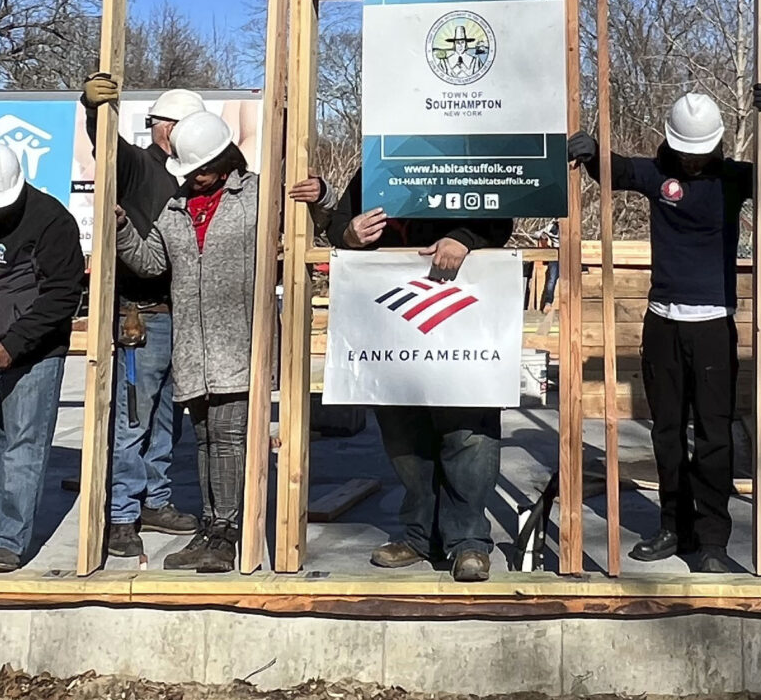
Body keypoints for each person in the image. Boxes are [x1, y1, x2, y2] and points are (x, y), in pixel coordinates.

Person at [569, 85, 761, 573]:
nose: (690, 164)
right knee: (667, 432)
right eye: (685, 154)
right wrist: (591, 154)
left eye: (699, 154)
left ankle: (712, 540)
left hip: (712, 325)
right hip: (663, 323)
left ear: (713, 147)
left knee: (713, 435)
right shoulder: (658, 174)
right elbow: (618, 171)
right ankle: (674, 525)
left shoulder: (730, 180)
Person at [291, 167, 512, 581]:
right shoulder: (377, 166)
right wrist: (349, 234)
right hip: (391, 324)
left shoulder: (467, 160)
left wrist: (465, 238)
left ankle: (468, 542)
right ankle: (418, 535)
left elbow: (501, 218)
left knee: (467, 432)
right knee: (403, 435)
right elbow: (341, 224)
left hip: (461, 317)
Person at [114, 109, 261, 572]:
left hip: (238, 341)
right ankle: (212, 526)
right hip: (194, 347)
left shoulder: (255, 196)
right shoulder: (176, 208)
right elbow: (153, 262)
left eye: (203, 169)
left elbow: (308, 222)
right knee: (203, 439)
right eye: (190, 171)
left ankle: (227, 532)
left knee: (229, 437)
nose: (196, 178)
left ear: (225, 159)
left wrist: (320, 195)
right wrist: (120, 227)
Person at [0, 138, 86, 573]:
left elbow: (63, 295)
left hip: (33, 351)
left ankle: (9, 538)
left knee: (23, 446)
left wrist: (14, 345)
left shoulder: (50, 221)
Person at [80, 75, 204, 561]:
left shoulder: (195, 174)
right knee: (132, 418)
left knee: (167, 419)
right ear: (160, 126)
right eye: (179, 124)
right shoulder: (137, 166)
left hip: (181, 315)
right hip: (141, 315)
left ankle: (155, 499)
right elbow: (105, 143)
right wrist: (92, 107)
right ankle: (122, 516)